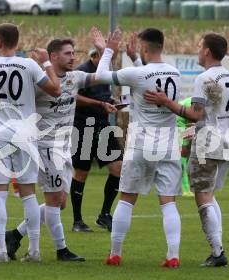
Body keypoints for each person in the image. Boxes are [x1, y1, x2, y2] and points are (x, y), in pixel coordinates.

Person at [5, 38, 118, 261]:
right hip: (46, 147)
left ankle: (15, 234)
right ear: (53, 56)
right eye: (67, 53)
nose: (73, 57)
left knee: (59, 202)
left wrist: (107, 51)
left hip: (65, 147)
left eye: (74, 53)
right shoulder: (41, 82)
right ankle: (62, 250)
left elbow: (102, 76)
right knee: (54, 201)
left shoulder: (74, 78)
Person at [144, 33, 229, 267]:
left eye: (199, 46)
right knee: (210, 194)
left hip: (208, 140)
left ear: (207, 51)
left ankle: (218, 252)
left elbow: (195, 114)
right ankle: (218, 247)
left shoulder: (205, 78)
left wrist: (166, 102)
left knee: (203, 196)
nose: (198, 50)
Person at [0, 23, 61, 263]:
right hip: (26, 134)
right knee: (29, 194)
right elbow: (55, 90)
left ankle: (1, 252)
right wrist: (47, 64)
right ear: (17, 42)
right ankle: (34, 251)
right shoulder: (29, 65)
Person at [94, 28, 183, 267]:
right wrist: (134, 58)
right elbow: (148, 78)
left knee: (126, 199)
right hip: (168, 145)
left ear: (144, 48)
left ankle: (115, 253)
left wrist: (109, 49)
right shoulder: (175, 72)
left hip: (142, 145)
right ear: (161, 46)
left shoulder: (138, 73)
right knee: (168, 202)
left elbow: (100, 75)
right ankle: (173, 256)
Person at [70, 47, 123, 233]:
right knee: (81, 173)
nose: (109, 61)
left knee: (118, 167)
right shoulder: (82, 71)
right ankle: (77, 220)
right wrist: (100, 103)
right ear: (94, 56)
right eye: (106, 57)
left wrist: (112, 101)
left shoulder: (104, 73)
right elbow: (73, 97)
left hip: (102, 125)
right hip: (84, 126)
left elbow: (102, 96)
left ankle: (104, 215)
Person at [177, 97, 194, 197]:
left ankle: (184, 187)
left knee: (182, 156)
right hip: (178, 124)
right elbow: (190, 121)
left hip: (182, 124)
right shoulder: (192, 103)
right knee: (182, 154)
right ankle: (185, 188)